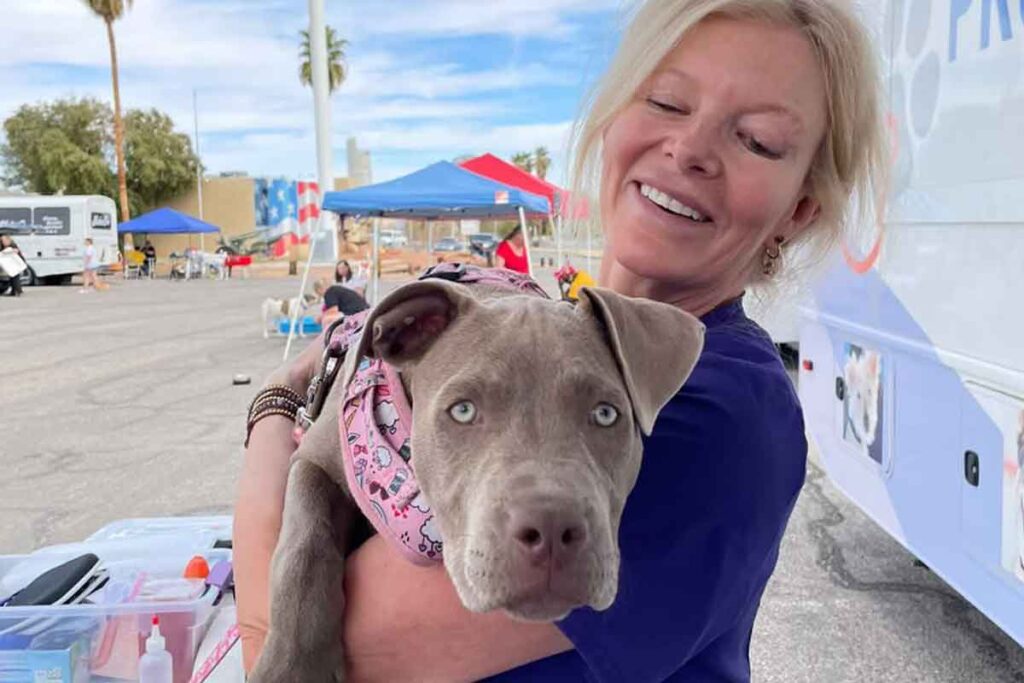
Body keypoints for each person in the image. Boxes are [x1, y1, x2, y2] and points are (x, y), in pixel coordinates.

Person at [234, 1, 887, 680]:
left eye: (754, 139)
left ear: (799, 208)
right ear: (612, 122)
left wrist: (276, 402)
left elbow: (269, 642)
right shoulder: (550, 336)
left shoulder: (714, 413)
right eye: (666, 101)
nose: (690, 150)